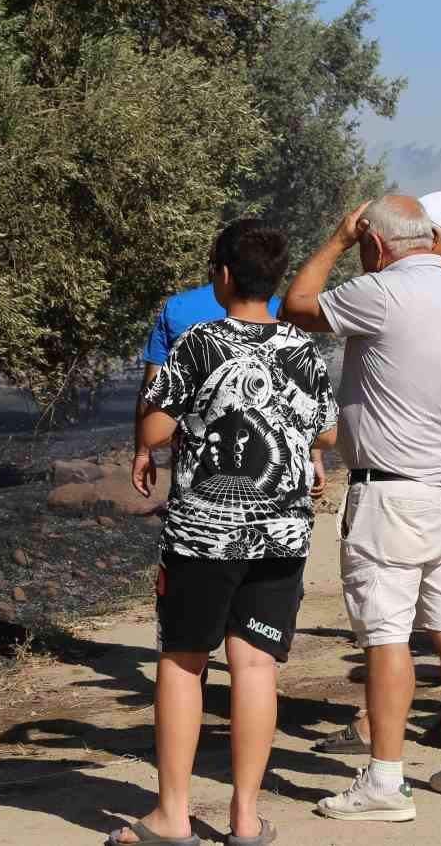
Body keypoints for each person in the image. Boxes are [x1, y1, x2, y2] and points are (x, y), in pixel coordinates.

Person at [280, 196, 441, 820]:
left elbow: (296, 307)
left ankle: (385, 783)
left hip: (389, 492)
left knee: (386, 636)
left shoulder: (380, 292)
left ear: (377, 246)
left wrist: (334, 240)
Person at [116, 220, 338, 846]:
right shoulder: (303, 349)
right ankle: (244, 818)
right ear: (273, 281)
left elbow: (156, 430)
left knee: (184, 663)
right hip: (281, 535)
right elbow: (325, 433)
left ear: (221, 276)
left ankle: (173, 816)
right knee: (257, 667)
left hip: (202, 538)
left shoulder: (197, 342)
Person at [138, 271, 324, 499]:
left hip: (197, 470)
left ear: (222, 271)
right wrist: (315, 458)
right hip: (273, 485)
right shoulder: (282, 312)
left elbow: (153, 390)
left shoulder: (178, 309)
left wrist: (143, 452)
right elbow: (308, 401)